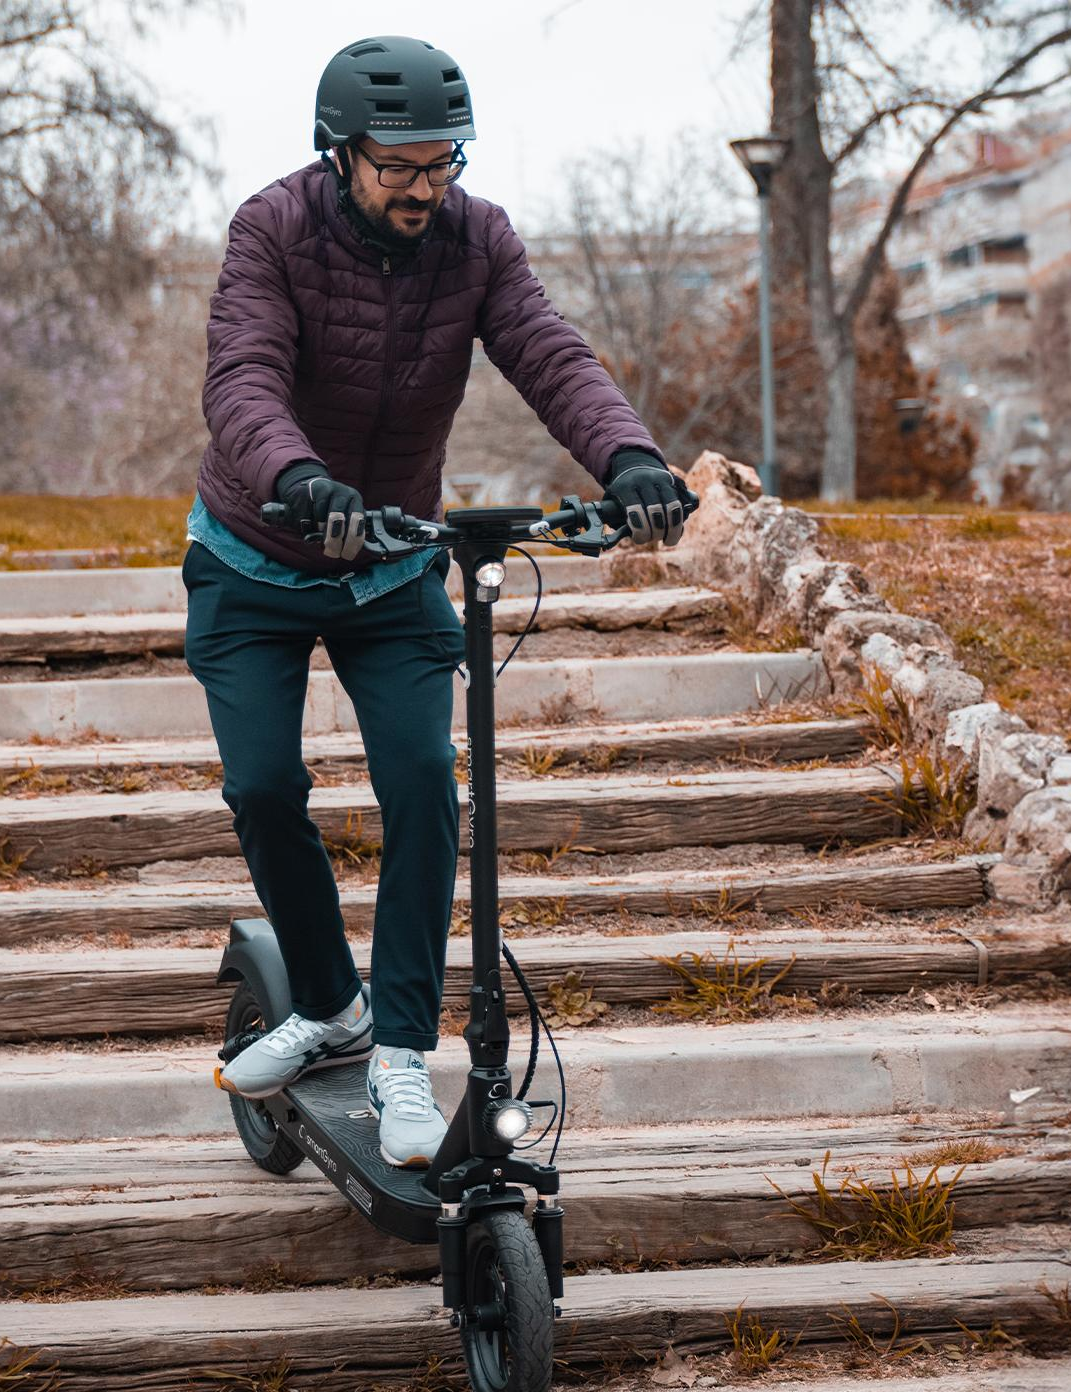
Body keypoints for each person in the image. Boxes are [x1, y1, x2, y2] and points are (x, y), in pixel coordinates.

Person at [189, 35, 692, 1168]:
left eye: (443, 162)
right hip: (256, 556)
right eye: (400, 166)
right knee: (264, 786)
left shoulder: (478, 238)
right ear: (341, 151)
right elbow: (243, 376)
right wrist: (298, 477)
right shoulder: (272, 229)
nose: (426, 186)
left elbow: (550, 351)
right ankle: (328, 1003)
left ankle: (401, 1049)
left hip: (392, 564)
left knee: (425, 782)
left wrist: (630, 459)